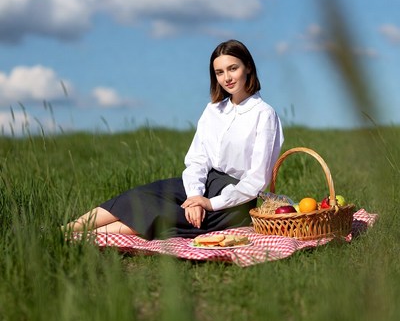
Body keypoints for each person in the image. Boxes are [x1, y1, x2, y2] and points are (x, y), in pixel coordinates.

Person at [64, 39, 284, 239]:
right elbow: (198, 159)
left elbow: (257, 179)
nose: (226, 78)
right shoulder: (213, 110)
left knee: (164, 216)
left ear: (248, 67)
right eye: (219, 72)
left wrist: (209, 203)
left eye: (232, 68)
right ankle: (65, 229)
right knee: (141, 195)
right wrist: (195, 196)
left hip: (236, 200)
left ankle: (80, 235)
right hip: (204, 182)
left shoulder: (264, 114)